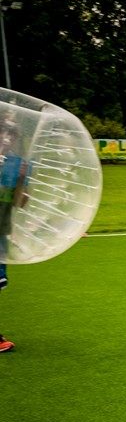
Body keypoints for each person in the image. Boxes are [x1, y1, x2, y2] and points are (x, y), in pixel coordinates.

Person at [0, 114, 30, 353]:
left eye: (12, 134)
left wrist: (21, 180)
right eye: (4, 132)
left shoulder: (18, 163)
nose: (8, 138)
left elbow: (21, 203)